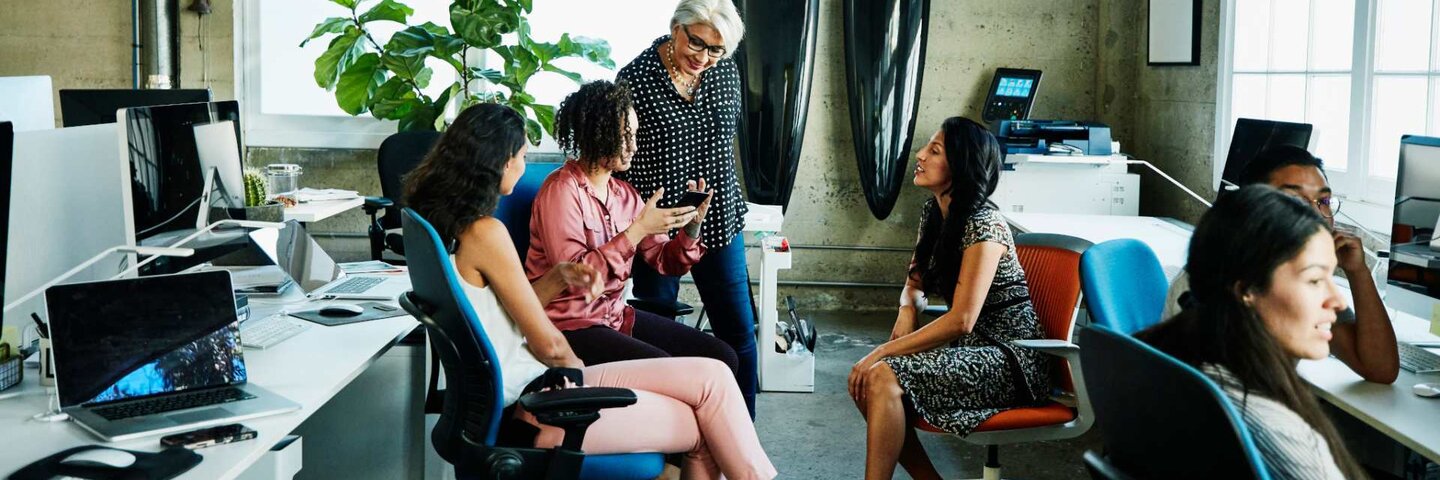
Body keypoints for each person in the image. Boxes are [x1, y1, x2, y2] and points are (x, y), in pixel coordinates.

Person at [403, 103, 775, 480]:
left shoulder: (448, 230)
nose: (524, 163)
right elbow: (550, 345)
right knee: (706, 417)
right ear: (499, 162)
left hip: (535, 391)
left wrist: (561, 275)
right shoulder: (489, 232)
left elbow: (510, 311)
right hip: (544, 402)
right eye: (522, 156)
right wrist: (583, 379)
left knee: (713, 378)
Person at [848, 117, 1050, 480]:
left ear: (961, 166)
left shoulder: (984, 224)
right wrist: (907, 309)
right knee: (869, 383)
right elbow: (914, 280)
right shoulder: (936, 212)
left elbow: (962, 320)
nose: (920, 155)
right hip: (972, 351)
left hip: (1013, 361)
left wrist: (881, 351)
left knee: (878, 375)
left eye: (935, 150)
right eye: (927, 146)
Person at [1138, 185, 1367, 479]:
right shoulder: (1279, 429)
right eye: (1314, 280)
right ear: (1247, 290)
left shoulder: (1174, 359)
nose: (1338, 301)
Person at [525, 80, 739, 377]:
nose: (633, 147)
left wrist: (692, 227)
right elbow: (575, 278)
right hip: (569, 325)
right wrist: (636, 232)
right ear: (597, 136)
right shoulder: (561, 191)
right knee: (672, 372)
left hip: (614, 317)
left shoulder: (626, 195)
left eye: (634, 135)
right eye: (624, 137)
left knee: (721, 355)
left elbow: (667, 262)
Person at [615, 0, 758, 417]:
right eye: (696, 42)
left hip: (715, 221)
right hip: (657, 228)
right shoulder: (635, 78)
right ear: (675, 27)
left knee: (737, 331)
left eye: (716, 49)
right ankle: (674, 437)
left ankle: (740, 430)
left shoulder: (723, 72)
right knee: (662, 334)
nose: (704, 57)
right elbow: (622, 154)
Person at [1163, 145, 1398, 384]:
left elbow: (1380, 369)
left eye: (1324, 200)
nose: (1317, 214)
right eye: (1293, 200)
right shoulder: (1214, 278)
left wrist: (1358, 272)